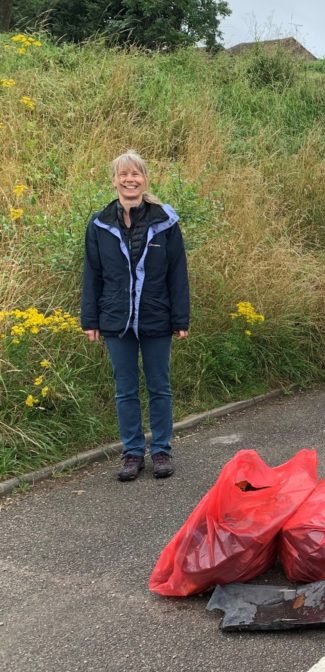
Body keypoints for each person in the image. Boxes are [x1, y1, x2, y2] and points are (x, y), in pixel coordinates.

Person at [81, 150, 190, 481]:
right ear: (114, 180)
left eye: (136, 174)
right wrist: (91, 320)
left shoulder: (165, 222)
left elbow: (177, 274)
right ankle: (131, 453)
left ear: (145, 179)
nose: (130, 179)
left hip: (157, 316)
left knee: (159, 386)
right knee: (125, 389)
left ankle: (160, 451)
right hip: (116, 319)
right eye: (123, 174)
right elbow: (92, 274)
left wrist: (180, 318)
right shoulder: (99, 224)